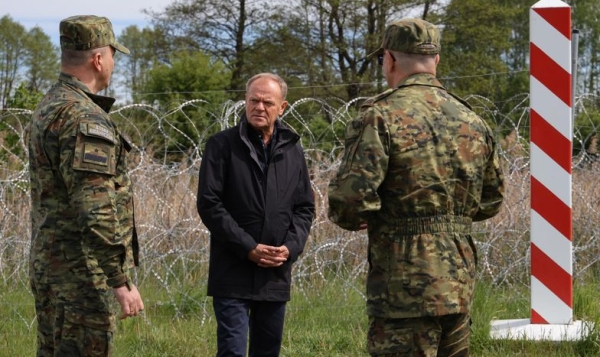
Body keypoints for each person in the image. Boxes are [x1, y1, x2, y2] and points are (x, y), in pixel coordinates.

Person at [328, 18, 504, 356]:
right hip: (457, 279)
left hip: (402, 284)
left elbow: (349, 200)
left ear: (390, 59)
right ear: (436, 60)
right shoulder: (472, 120)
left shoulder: (380, 116)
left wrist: (364, 216)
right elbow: (492, 199)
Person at [28, 15, 144, 357]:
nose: (112, 64)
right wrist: (119, 280)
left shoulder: (50, 106)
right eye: (112, 55)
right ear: (98, 59)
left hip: (51, 266)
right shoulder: (84, 118)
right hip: (81, 274)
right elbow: (94, 207)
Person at [197, 73, 315, 357]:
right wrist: (248, 247)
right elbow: (209, 203)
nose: (259, 107)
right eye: (253, 100)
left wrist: (290, 248)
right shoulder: (222, 145)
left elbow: (304, 207)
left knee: (267, 351)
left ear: (282, 107)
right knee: (233, 351)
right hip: (232, 270)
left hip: (275, 272)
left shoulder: (292, 150)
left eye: (267, 102)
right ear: (245, 101)